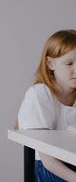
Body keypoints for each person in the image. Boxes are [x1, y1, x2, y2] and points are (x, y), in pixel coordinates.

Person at [17, 29, 76, 182]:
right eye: (69, 64)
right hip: (48, 167)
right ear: (51, 63)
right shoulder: (39, 94)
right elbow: (48, 161)